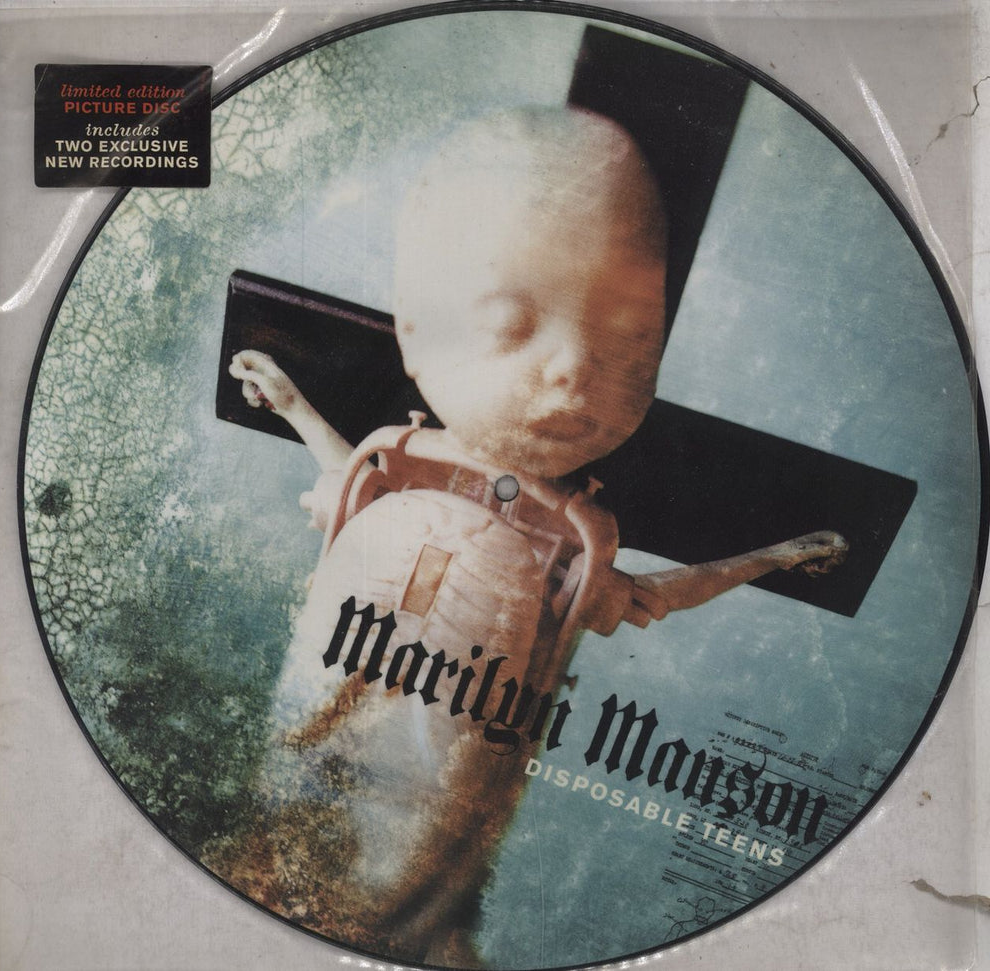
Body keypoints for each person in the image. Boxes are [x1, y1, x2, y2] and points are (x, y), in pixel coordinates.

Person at [218, 106, 846, 966]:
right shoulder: (393, 470)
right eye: (511, 323)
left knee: (397, 861)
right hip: (311, 753)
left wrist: (771, 558)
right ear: (413, 330)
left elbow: (660, 594)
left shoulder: (569, 551)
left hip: (430, 796)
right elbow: (349, 490)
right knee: (293, 817)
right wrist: (294, 407)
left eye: (629, 348)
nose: (574, 368)